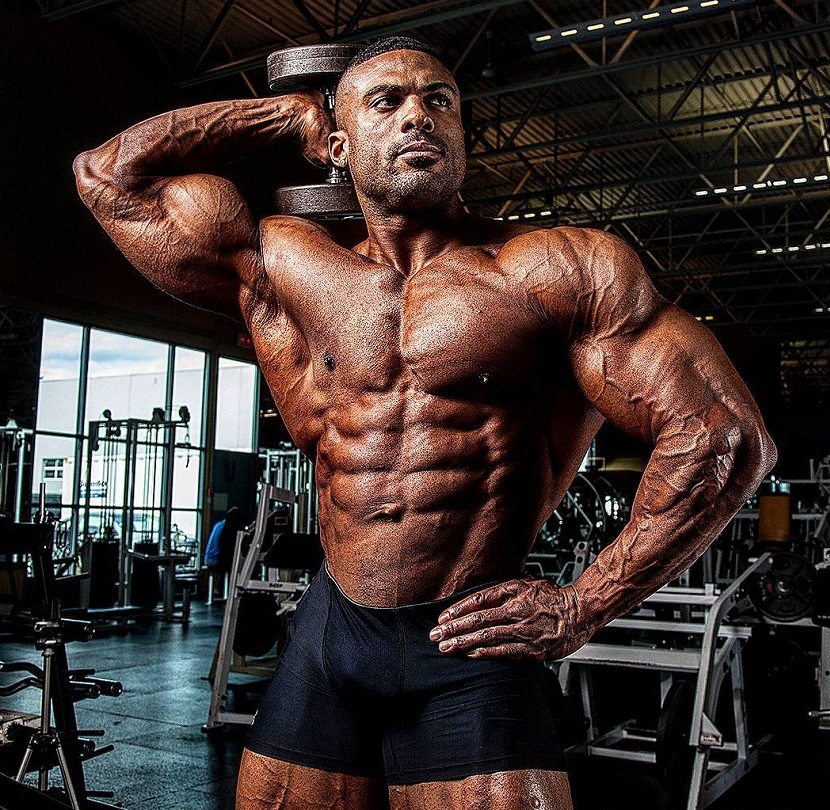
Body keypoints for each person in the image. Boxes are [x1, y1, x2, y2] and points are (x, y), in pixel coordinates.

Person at [72, 36, 777, 810]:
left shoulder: (556, 270)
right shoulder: (286, 268)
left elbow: (723, 435)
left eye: (439, 100)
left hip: (470, 643)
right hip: (331, 633)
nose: (420, 116)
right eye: (388, 102)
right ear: (340, 144)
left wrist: (584, 605)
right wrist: (278, 115)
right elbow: (109, 175)